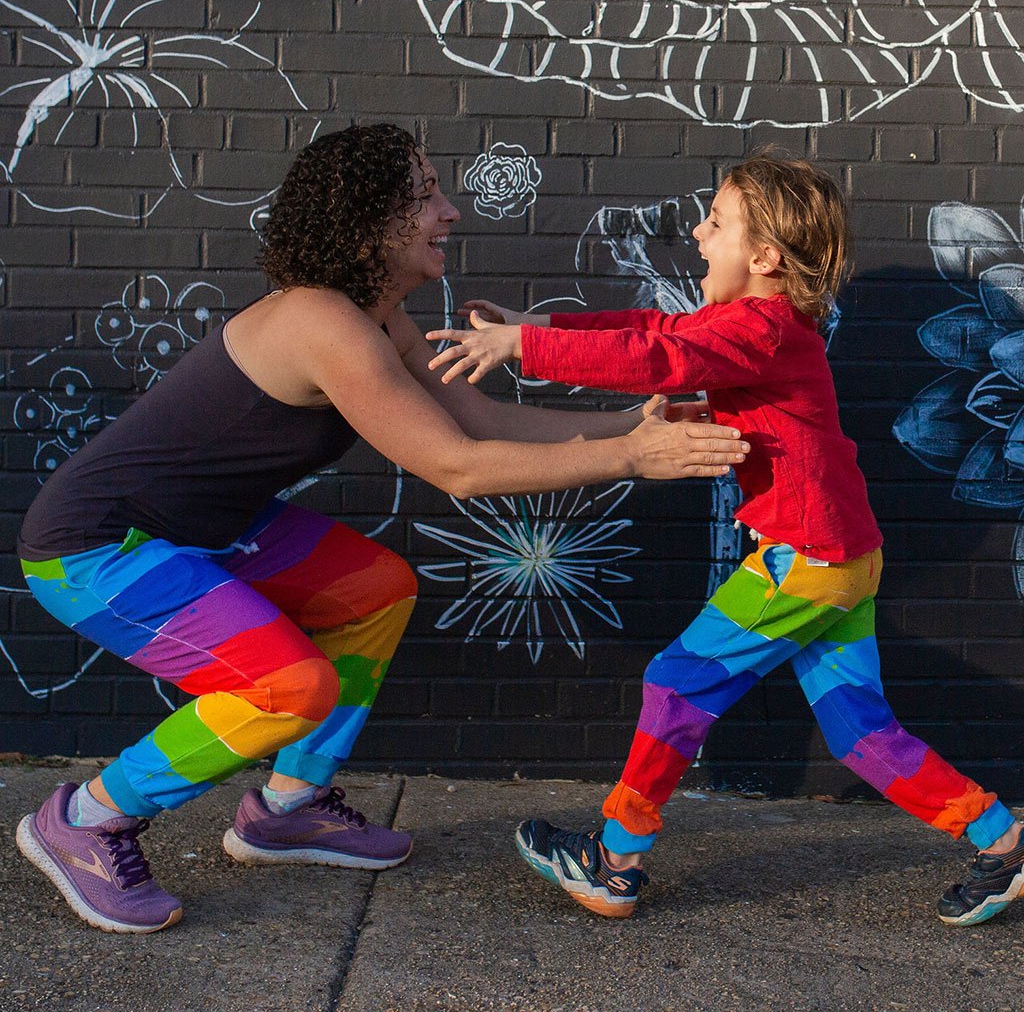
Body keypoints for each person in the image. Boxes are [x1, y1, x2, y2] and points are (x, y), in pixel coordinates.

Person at [13, 124, 749, 935]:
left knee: (376, 588)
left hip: (209, 528)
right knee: (289, 687)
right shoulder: (321, 324)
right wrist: (633, 458)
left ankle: (287, 807)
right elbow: (457, 467)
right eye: (426, 194)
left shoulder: (379, 319)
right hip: (96, 547)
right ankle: (86, 818)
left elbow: (481, 418)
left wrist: (628, 425)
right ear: (370, 220)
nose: (451, 211)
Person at [425, 155, 1024, 927]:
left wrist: (523, 351)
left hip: (805, 562)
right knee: (861, 732)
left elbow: (660, 358)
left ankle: (614, 861)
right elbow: (656, 331)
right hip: (842, 559)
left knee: (676, 686)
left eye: (717, 221)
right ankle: (1000, 843)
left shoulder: (763, 327)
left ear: (766, 257)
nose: (700, 234)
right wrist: (538, 327)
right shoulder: (761, 325)